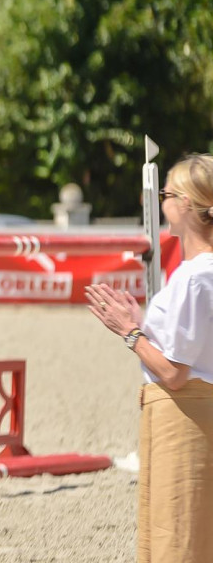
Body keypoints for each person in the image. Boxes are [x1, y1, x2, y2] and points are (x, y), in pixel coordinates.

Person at [84, 153, 213, 563]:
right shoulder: (198, 270)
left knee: (178, 540)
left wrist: (130, 331)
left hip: (185, 415)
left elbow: (175, 372)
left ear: (188, 206)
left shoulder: (196, 275)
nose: (162, 202)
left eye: (167, 194)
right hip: (190, 412)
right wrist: (147, 327)